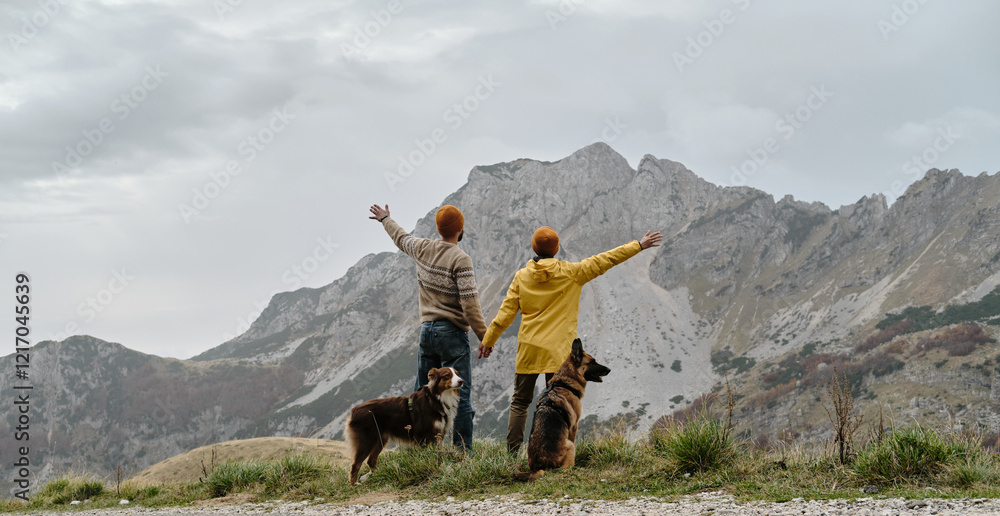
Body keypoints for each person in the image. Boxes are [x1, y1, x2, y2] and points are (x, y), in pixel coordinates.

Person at [479, 226, 663, 453]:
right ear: (556, 249)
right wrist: (638, 245)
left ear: (533, 248)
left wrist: (488, 340)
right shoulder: (572, 272)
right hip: (558, 352)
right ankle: (556, 451)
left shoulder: (521, 277)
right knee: (558, 404)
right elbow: (604, 260)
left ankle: (511, 453)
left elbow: (504, 315)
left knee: (520, 403)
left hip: (529, 350)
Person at [368, 203, 487, 451]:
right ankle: (463, 452)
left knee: (419, 396)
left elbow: (401, 238)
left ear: (438, 228)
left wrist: (385, 219)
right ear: (461, 229)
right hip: (452, 333)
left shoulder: (422, 247)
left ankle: (414, 449)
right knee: (461, 396)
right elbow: (469, 303)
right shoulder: (461, 259)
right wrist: (485, 336)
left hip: (427, 332)